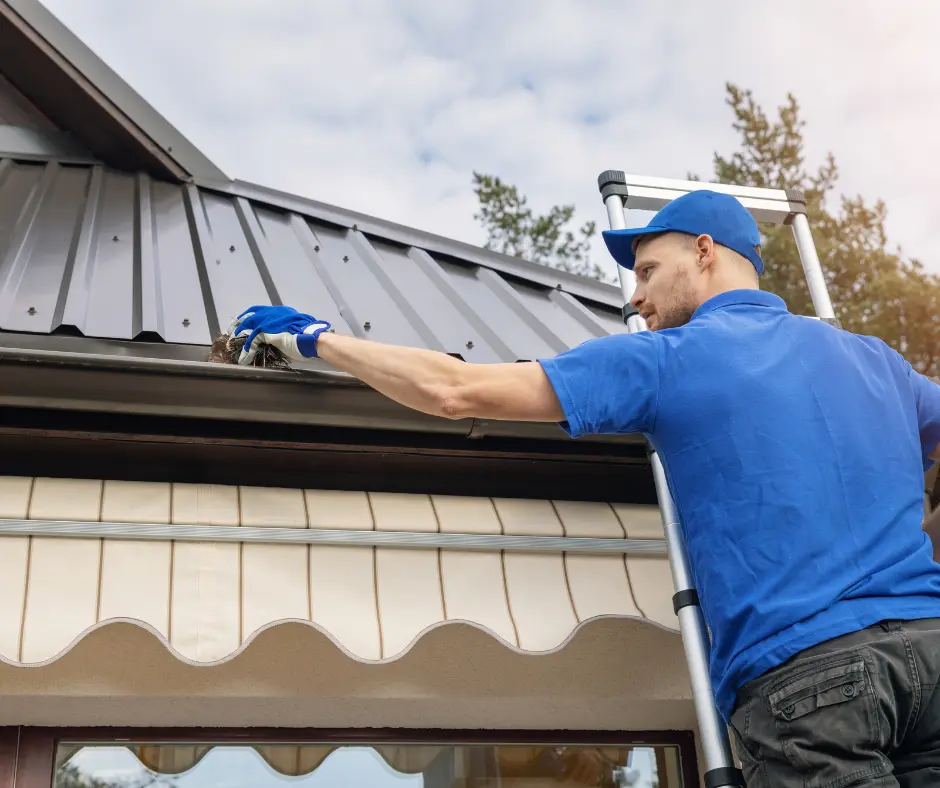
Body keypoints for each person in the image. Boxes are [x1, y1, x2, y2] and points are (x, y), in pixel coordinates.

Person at [230, 190, 940, 787]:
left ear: (704, 251)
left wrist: (315, 340)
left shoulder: (670, 360)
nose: (635, 297)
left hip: (810, 682)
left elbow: (455, 390)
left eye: (647, 270)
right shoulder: (878, 362)